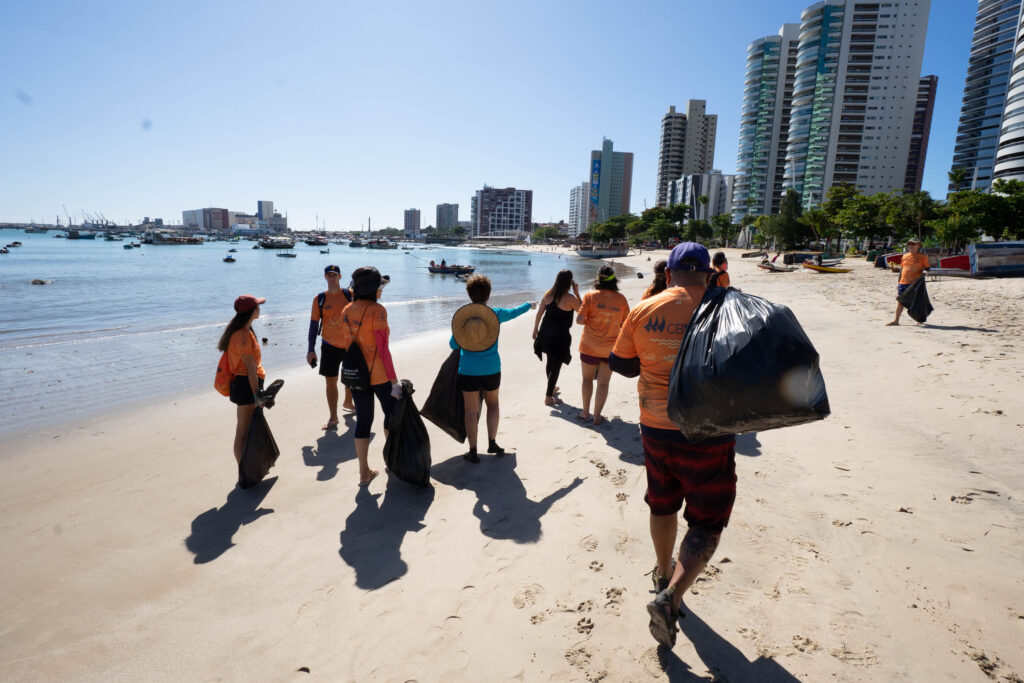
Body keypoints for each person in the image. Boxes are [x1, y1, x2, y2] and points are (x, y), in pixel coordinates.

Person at [609, 243, 737, 648]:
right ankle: (671, 597)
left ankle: (663, 571)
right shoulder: (727, 307)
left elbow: (622, 364)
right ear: (708, 274)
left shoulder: (645, 308)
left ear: (670, 272)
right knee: (706, 522)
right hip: (710, 431)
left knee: (662, 503)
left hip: (657, 427)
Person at [449, 275, 536, 462]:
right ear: (489, 295)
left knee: (470, 411)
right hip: (492, 368)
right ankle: (492, 442)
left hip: (468, 370)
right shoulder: (495, 314)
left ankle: (472, 450)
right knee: (493, 404)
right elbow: (514, 312)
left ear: (469, 294)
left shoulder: (463, 319)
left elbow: (453, 345)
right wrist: (529, 305)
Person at [340, 267, 402, 486]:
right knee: (390, 414)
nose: (381, 292)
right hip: (379, 374)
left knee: (363, 421)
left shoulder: (346, 309)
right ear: (374, 289)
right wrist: (394, 380)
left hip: (356, 375)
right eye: (379, 288)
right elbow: (383, 349)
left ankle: (363, 472)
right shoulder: (378, 311)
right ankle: (391, 461)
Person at [218, 294, 268, 466]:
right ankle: (243, 469)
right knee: (243, 430)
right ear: (252, 311)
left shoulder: (243, 331)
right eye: (258, 306)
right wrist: (257, 395)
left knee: (245, 429)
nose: (260, 309)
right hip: (246, 385)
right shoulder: (243, 336)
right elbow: (250, 368)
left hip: (244, 384)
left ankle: (248, 467)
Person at [576, 265, 629, 426]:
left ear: (598, 279)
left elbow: (579, 320)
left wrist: (589, 320)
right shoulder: (621, 299)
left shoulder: (590, 296)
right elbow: (625, 325)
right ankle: (597, 416)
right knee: (603, 383)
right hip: (610, 349)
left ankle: (585, 412)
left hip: (589, 346)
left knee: (587, 379)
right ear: (614, 280)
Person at [307, 265, 354, 430]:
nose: (332, 278)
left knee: (351, 378)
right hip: (329, 345)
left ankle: (348, 401)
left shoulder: (350, 295)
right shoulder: (319, 299)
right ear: (325, 277)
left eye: (335, 275)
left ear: (340, 277)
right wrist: (310, 349)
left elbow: (364, 311)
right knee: (331, 382)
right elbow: (313, 325)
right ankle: (333, 417)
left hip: (349, 345)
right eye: (329, 275)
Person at [533, 269, 581, 405]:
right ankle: (549, 397)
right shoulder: (570, 298)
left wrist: (535, 329)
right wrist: (577, 293)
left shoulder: (548, 294)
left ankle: (552, 388)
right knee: (556, 366)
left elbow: (539, 314)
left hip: (545, 333)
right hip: (560, 336)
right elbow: (583, 312)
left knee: (550, 361)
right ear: (569, 283)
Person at [887, 237, 930, 326]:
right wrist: (899, 282)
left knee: (916, 303)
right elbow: (902, 269)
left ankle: (918, 321)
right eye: (909, 244)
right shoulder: (905, 256)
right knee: (900, 302)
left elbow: (927, 267)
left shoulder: (923, 256)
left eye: (913, 244)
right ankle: (896, 321)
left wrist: (925, 272)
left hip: (915, 284)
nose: (911, 246)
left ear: (918, 245)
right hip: (903, 283)